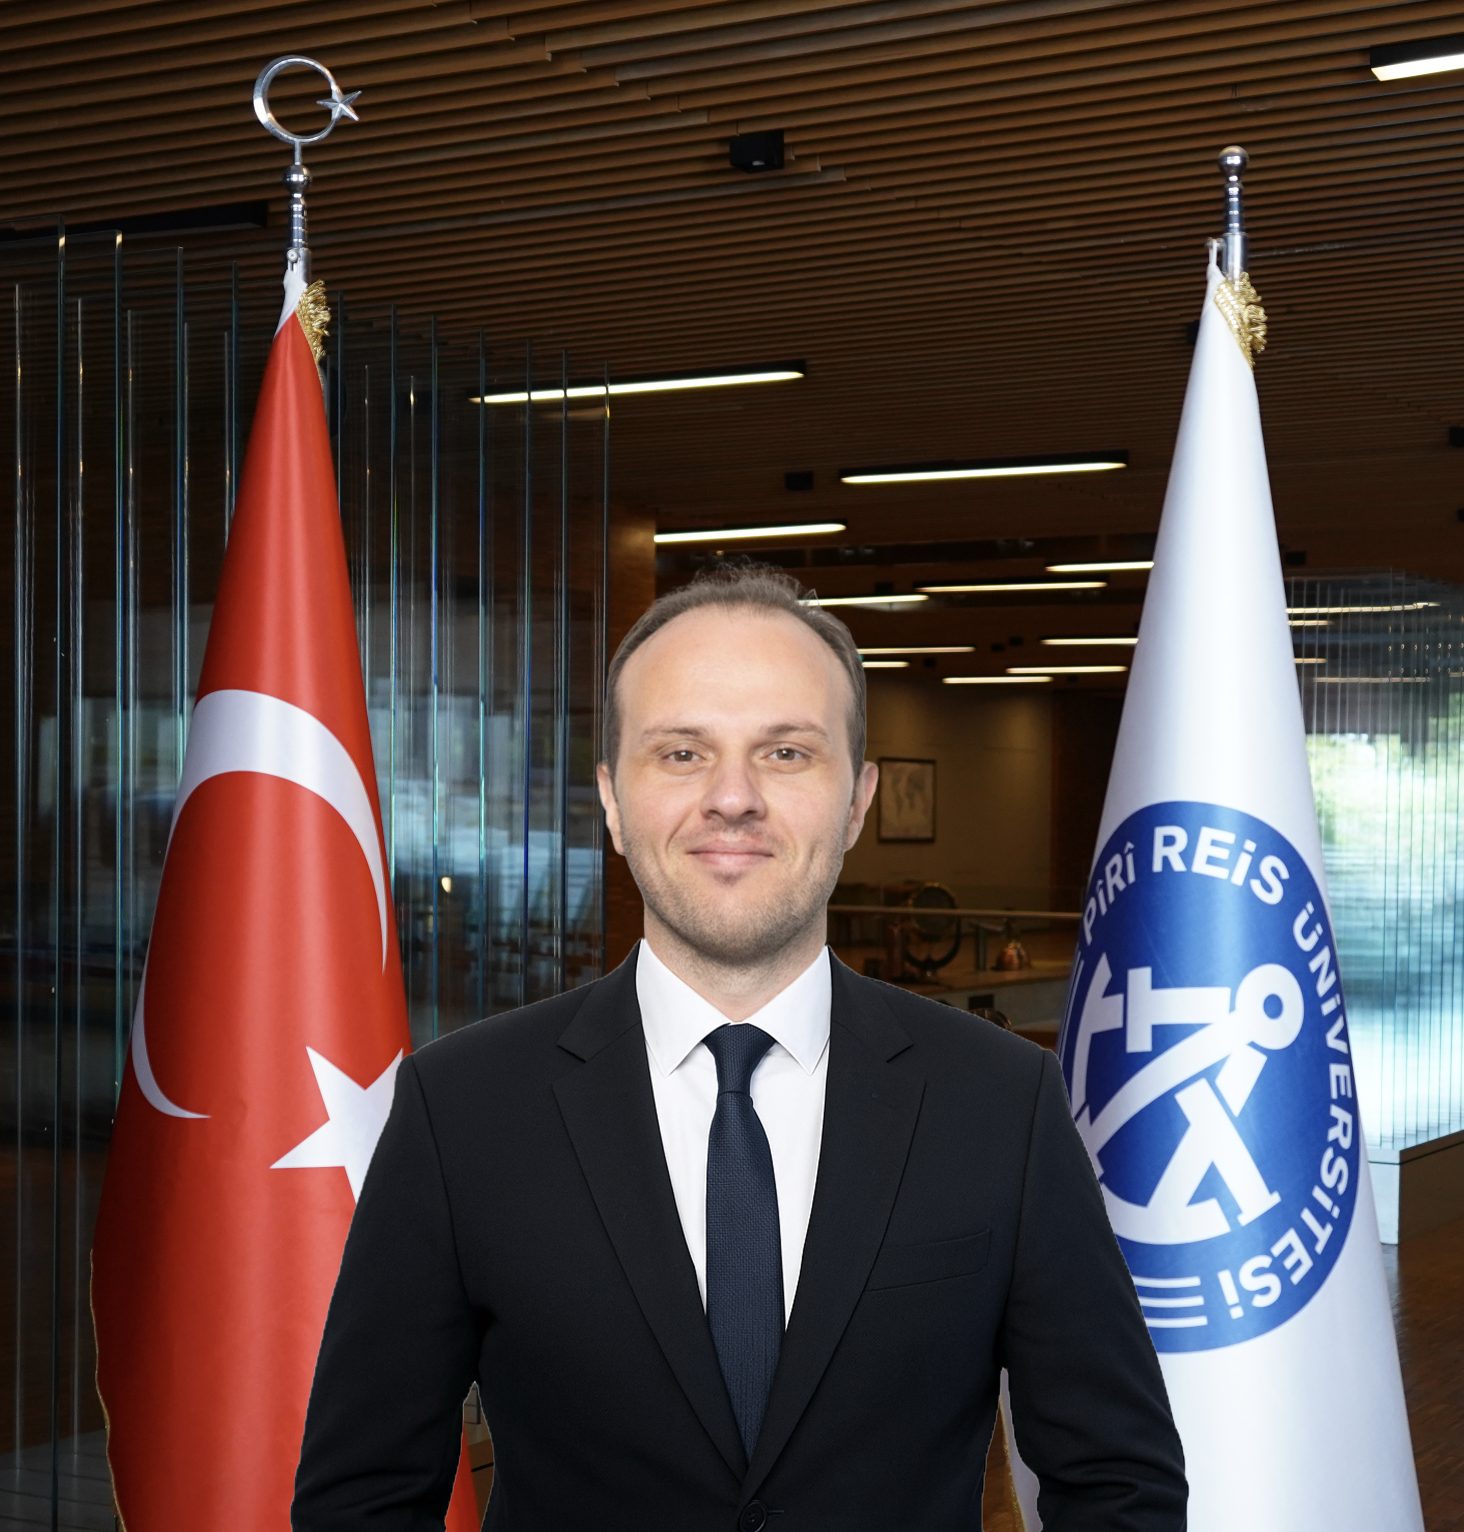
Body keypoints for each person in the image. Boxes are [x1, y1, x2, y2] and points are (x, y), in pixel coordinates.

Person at [292, 561, 1187, 1530]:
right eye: (681, 752)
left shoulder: (1002, 1101)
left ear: (857, 801)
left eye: (786, 752)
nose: (732, 797)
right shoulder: (462, 1108)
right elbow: (364, 1496)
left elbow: (1120, 1485)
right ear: (612, 801)